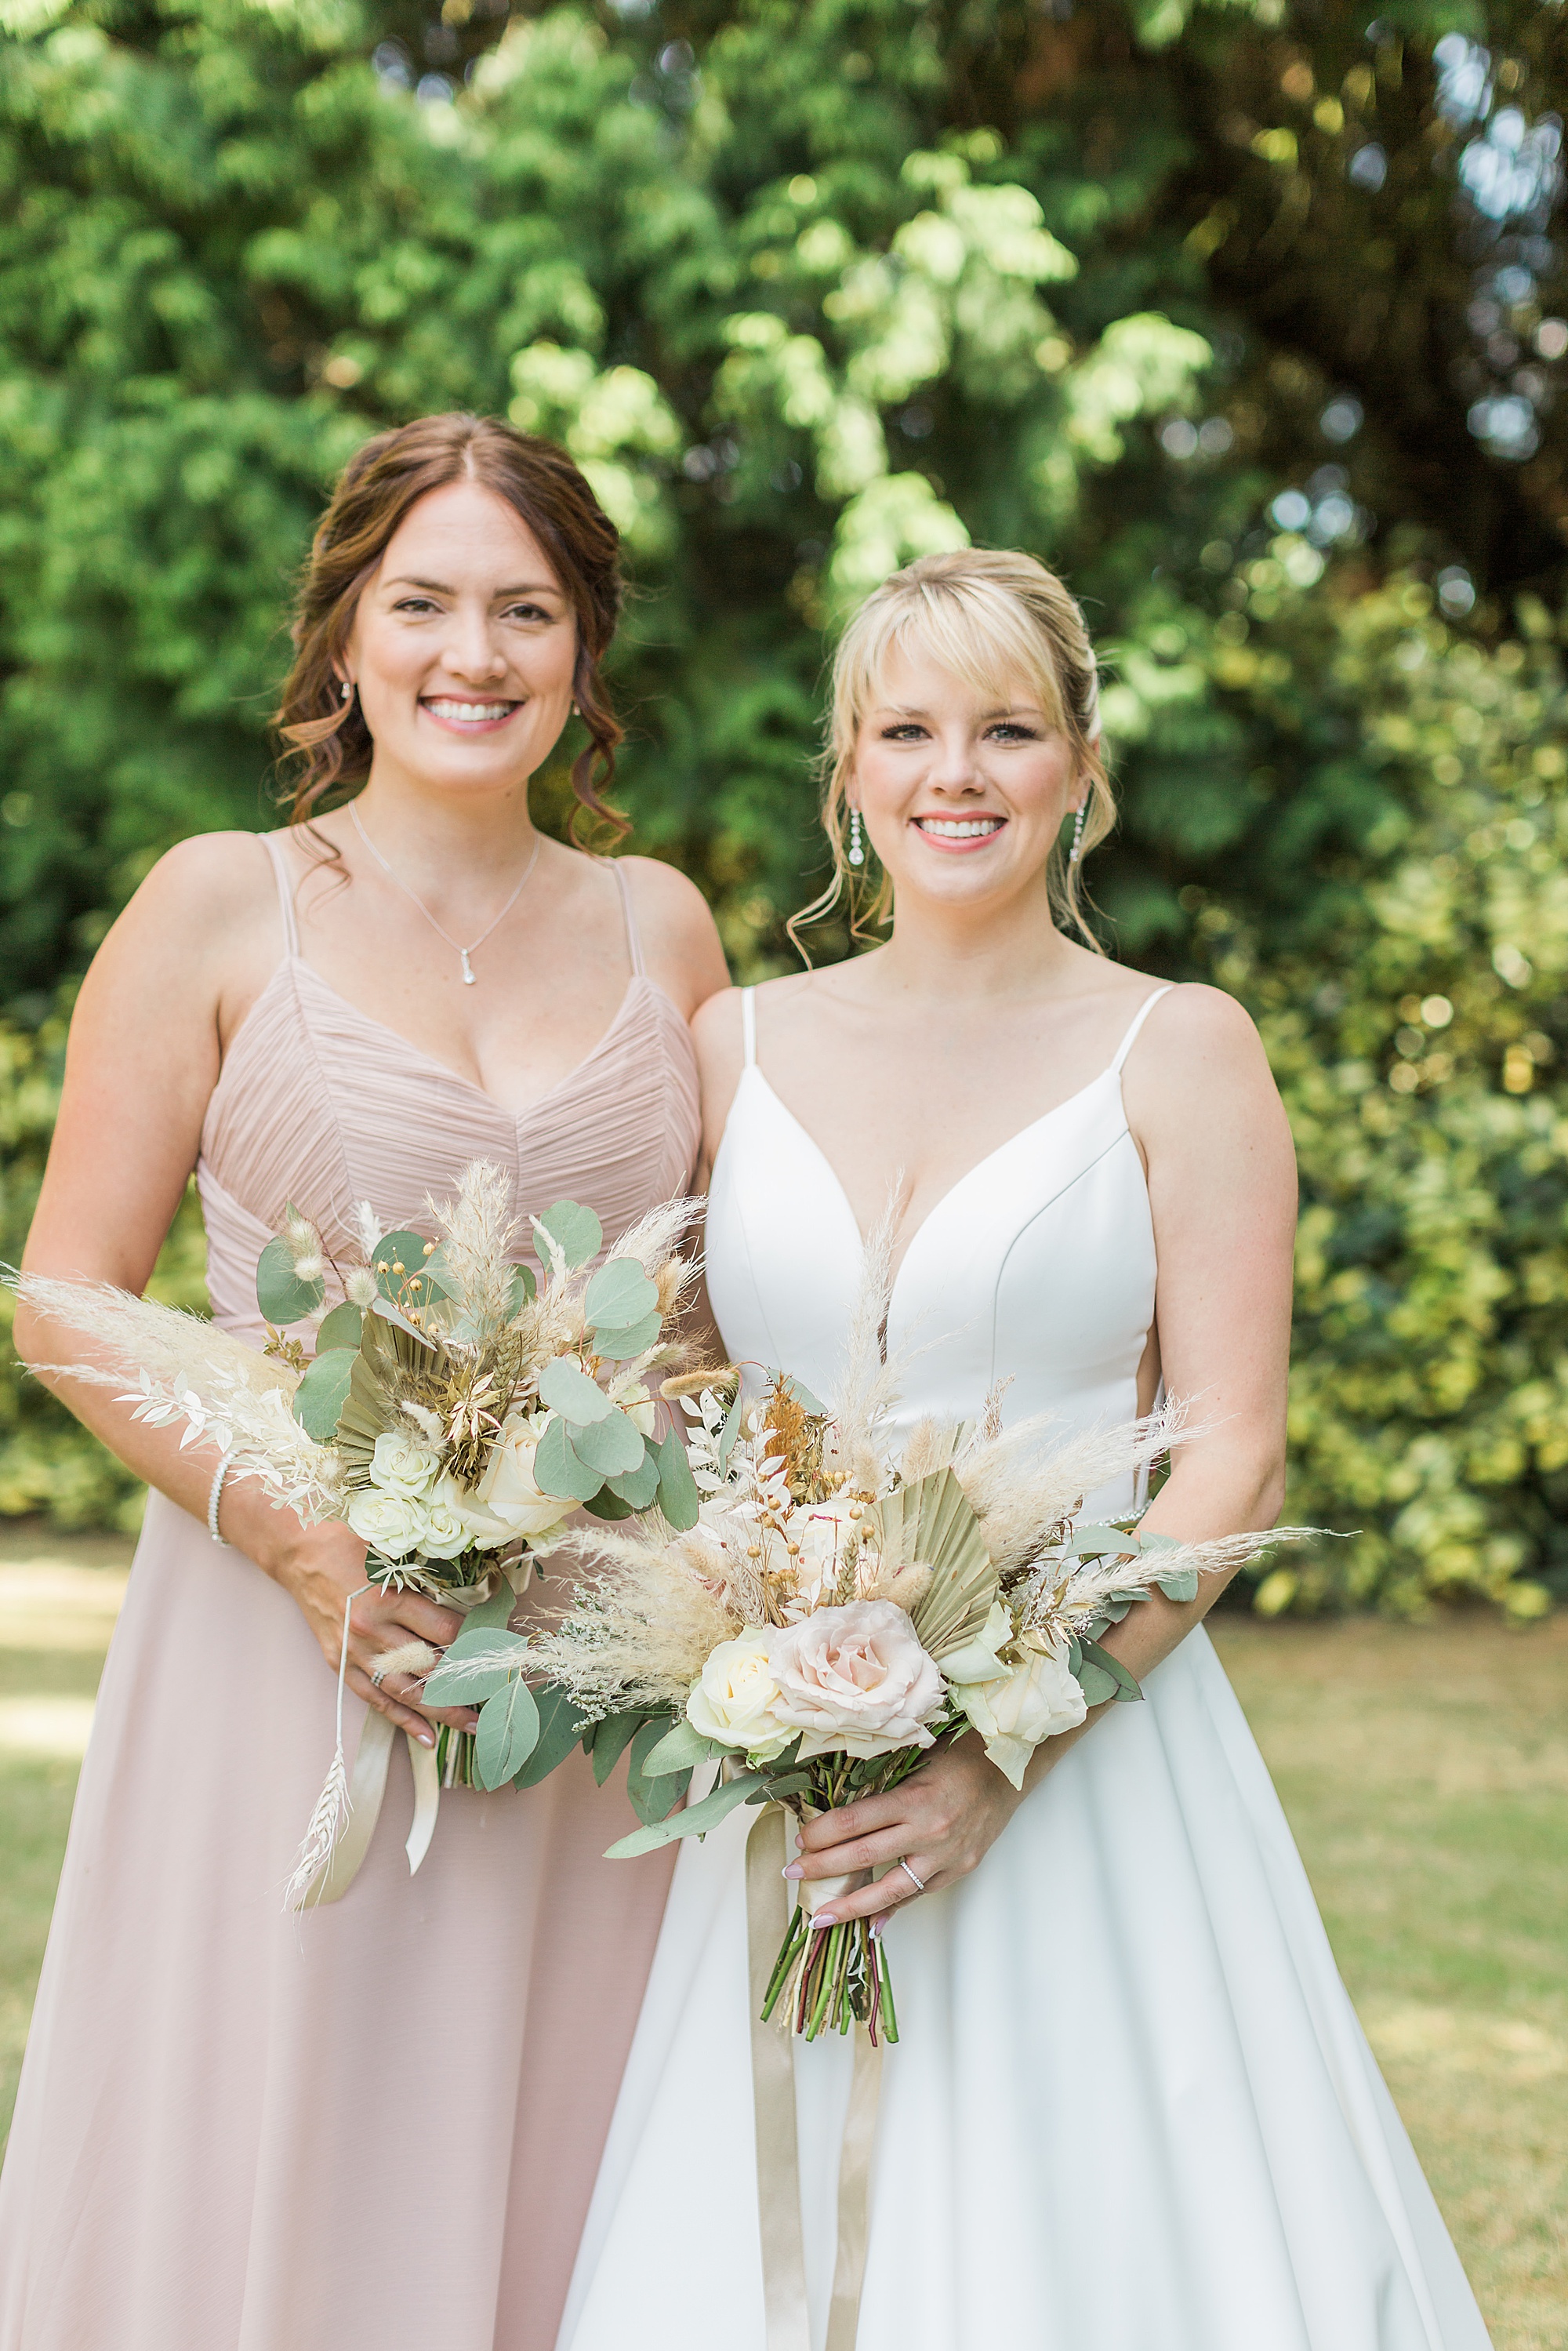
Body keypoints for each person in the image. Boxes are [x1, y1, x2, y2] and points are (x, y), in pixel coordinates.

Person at [557, 550, 1493, 2351]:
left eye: (1005, 727)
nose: (952, 772)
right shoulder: (730, 1043)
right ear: (845, 772)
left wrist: (1009, 1734)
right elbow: (686, 1393)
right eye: (905, 729)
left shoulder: (1181, 1048)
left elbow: (1230, 1457)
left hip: (1084, 1743)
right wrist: (731, 1636)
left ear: (1078, 765)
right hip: (782, 1761)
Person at [0, 412, 729, 2351]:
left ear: (582, 652)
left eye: (525, 608)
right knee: (287, 2141)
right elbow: (67, 1298)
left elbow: (721, 1314)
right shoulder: (221, 903)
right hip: (294, 1632)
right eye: (423, 603)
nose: (470, 654)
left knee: (573, 2158)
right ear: (344, 636)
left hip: (589, 1663)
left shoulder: (663, 922)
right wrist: (304, 1538)